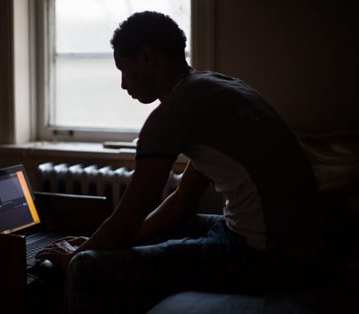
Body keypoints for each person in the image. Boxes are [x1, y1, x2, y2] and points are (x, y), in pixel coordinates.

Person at [36, 11, 322, 314]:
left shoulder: (171, 115)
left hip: (267, 258)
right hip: (295, 247)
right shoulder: (218, 89)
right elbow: (182, 201)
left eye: (124, 70)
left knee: (87, 267)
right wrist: (99, 241)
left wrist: (79, 253)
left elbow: (130, 214)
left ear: (147, 58)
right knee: (160, 227)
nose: (122, 84)